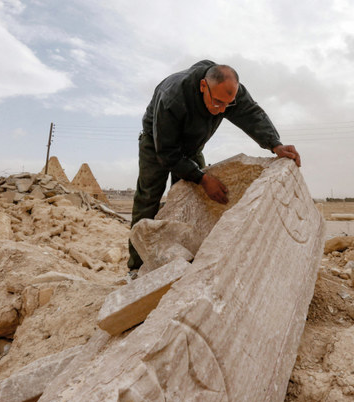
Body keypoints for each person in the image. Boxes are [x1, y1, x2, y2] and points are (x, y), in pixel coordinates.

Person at [128, 60, 301, 272]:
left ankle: (187, 259)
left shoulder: (229, 93)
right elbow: (167, 153)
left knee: (195, 198)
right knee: (148, 197)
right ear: (203, 87)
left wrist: (275, 144)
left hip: (192, 145)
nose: (220, 111)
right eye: (217, 102)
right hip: (157, 143)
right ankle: (136, 267)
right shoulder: (172, 96)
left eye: (227, 105)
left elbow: (252, 114)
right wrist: (202, 177)